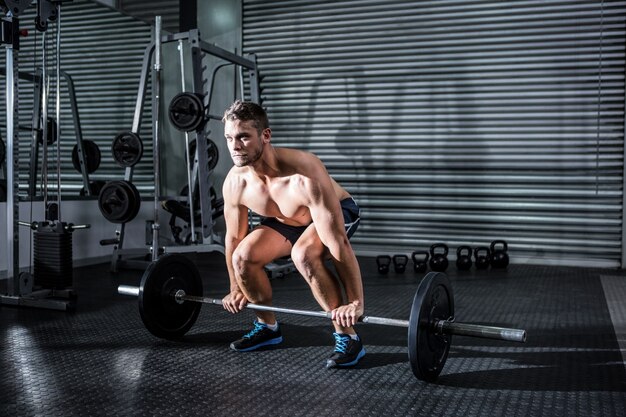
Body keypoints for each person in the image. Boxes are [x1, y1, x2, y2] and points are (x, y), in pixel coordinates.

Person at [220, 100, 366, 368]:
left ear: (265, 136)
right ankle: (267, 327)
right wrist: (234, 287)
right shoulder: (235, 182)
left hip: (337, 212)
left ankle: (348, 337)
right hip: (287, 220)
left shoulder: (304, 173)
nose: (235, 146)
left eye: (243, 137)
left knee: (304, 255)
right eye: (229, 137)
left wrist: (356, 301)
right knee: (242, 258)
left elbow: (338, 242)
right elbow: (233, 238)